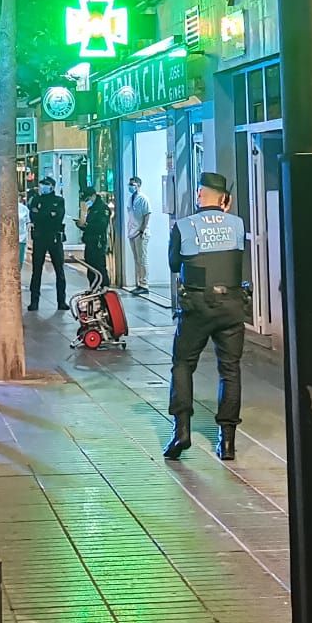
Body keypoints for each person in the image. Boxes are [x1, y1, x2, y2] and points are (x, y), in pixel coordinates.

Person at [164, 172, 249, 461]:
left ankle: (182, 431)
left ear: (201, 195)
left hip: (197, 306)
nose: (198, 195)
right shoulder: (237, 224)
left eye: (199, 192)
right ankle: (227, 442)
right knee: (230, 369)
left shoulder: (184, 226)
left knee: (183, 364)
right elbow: (236, 252)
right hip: (232, 306)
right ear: (224, 198)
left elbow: (175, 263)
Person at [27, 176, 68, 313]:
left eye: (46, 185)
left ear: (52, 186)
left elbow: (58, 217)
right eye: (41, 184)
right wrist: (48, 215)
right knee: (36, 270)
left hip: (54, 238)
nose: (43, 187)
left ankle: (61, 301)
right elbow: (34, 216)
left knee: (59, 270)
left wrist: (43, 215)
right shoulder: (36, 200)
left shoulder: (59, 200)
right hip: (39, 238)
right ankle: (34, 301)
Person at [79, 185, 113, 287]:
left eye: (88, 199)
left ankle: (105, 289)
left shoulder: (103, 208)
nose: (87, 201)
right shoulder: (92, 208)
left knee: (99, 267)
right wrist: (82, 226)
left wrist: (87, 225)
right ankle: (93, 288)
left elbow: (101, 226)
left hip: (97, 242)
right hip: (89, 241)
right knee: (90, 267)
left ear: (93, 196)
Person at [126, 177, 153, 295]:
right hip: (132, 232)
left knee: (142, 259)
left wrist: (142, 230)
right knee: (137, 259)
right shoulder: (131, 198)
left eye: (133, 184)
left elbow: (147, 214)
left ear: (139, 185)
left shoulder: (143, 199)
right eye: (130, 184)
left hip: (140, 233)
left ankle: (144, 284)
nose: (131, 186)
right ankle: (139, 282)